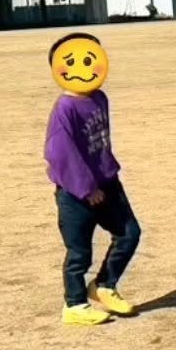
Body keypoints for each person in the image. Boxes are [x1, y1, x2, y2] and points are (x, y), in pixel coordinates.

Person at [44, 32, 141, 326]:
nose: (84, 69)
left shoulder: (99, 98)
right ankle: (74, 305)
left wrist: (105, 176)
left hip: (109, 184)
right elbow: (60, 153)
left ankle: (104, 286)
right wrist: (86, 187)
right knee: (79, 254)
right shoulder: (65, 108)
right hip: (77, 194)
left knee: (129, 234)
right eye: (74, 62)